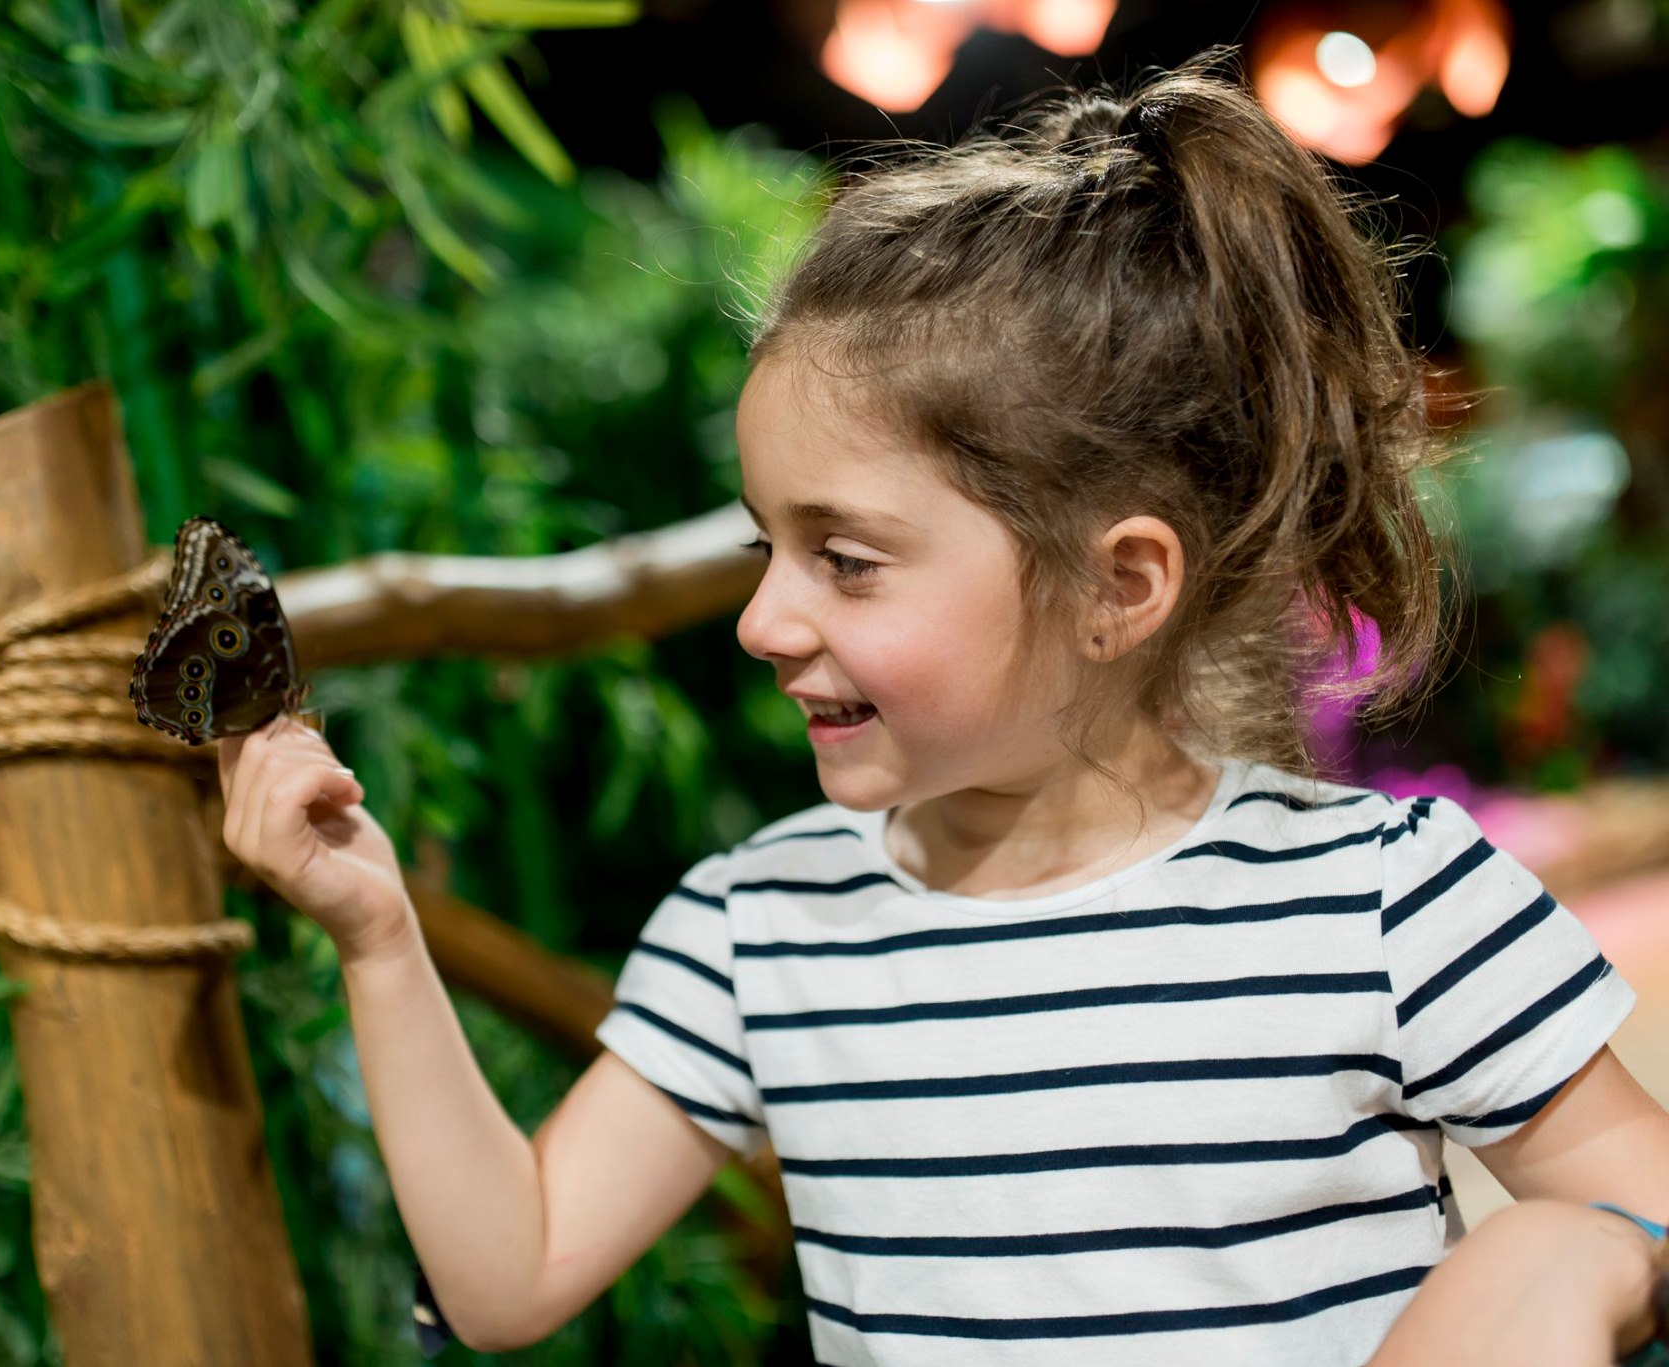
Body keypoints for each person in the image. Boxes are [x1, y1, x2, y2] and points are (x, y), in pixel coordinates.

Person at [215, 47, 1669, 1367]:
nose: (765, 622)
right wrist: (379, 933)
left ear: (1120, 587)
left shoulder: (1383, 904)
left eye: (845, 562)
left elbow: (1646, 1214)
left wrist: (1565, 1255)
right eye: (763, 550)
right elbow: (509, 1275)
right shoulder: (759, 926)